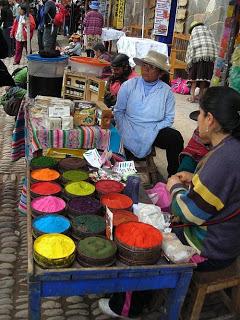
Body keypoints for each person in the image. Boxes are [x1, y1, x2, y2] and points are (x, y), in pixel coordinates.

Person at [98, 86, 240, 319]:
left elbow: (188, 213)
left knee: (144, 243)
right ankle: (136, 293)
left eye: (201, 115)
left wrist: (174, 184)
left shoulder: (224, 158)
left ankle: (126, 307)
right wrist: (194, 179)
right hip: (224, 237)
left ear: (211, 120)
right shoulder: (231, 148)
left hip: (210, 247)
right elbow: (221, 191)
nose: (198, 123)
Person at [114, 50, 184, 176]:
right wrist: (124, 129)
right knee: (116, 140)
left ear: (161, 73)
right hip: (129, 125)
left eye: (151, 67)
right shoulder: (129, 85)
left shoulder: (166, 91)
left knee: (175, 138)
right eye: (145, 65)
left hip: (154, 129)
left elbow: (169, 118)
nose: (146, 69)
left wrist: (154, 129)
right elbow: (119, 112)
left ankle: (174, 175)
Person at [185, 21, 218, 103]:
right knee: (203, 77)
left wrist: (188, 59)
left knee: (194, 78)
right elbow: (213, 44)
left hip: (198, 56)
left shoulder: (194, 31)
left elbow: (191, 46)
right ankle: (200, 96)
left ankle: (192, 97)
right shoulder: (207, 30)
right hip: (209, 57)